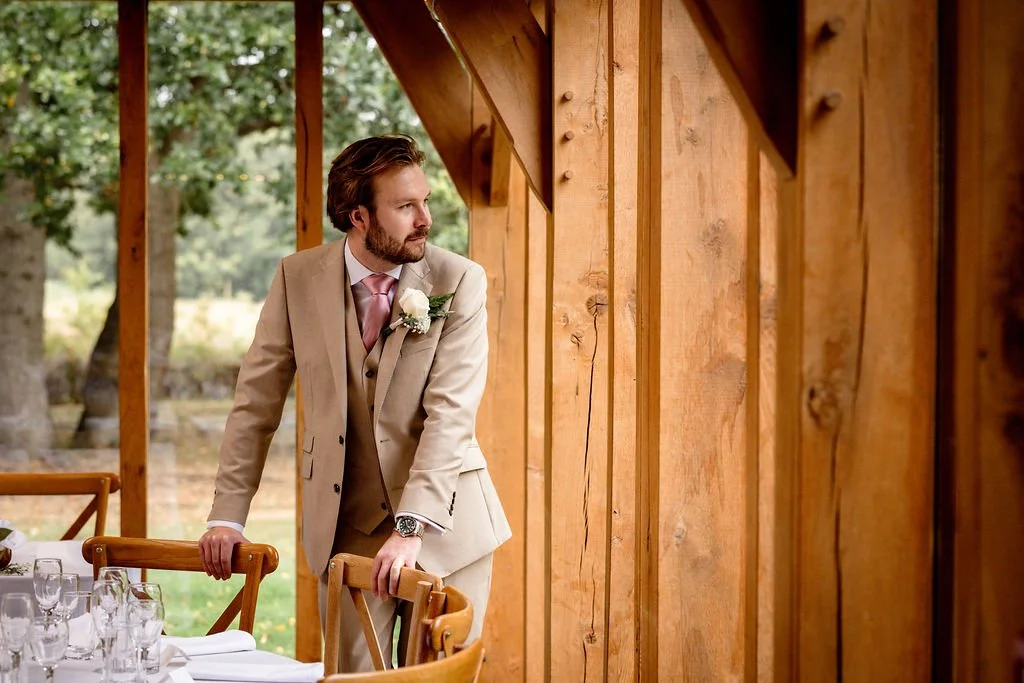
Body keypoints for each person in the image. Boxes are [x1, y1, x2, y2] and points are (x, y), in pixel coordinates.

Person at [198, 133, 511, 671]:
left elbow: (451, 414)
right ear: (357, 216)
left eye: (425, 201)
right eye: (405, 206)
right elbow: (256, 403)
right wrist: (228, 515)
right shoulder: (297, 279)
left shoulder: (459, 281)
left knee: (437, 682)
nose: (424, 219)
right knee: (351, 680)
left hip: (445, 526)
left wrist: (410, 528)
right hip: (346, 526)